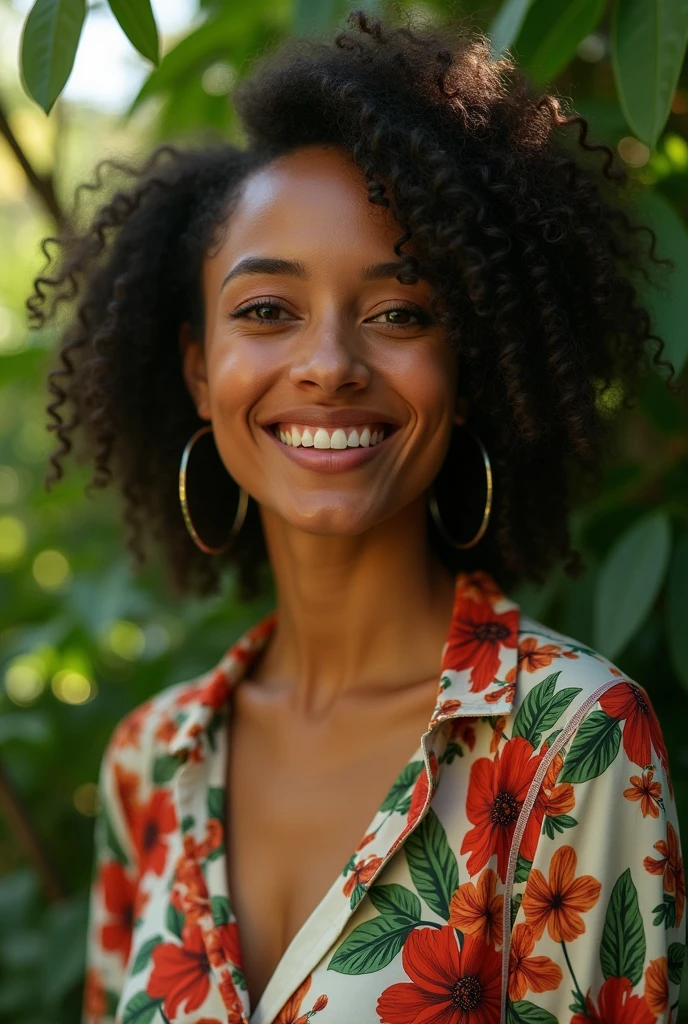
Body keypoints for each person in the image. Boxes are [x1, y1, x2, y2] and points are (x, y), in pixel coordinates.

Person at [30, 11, 685, 1024]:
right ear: (200, 371)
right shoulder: (149, 761)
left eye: (399, 312)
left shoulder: (569, 741)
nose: (329, 363)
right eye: (265, 311)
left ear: (467, 368)